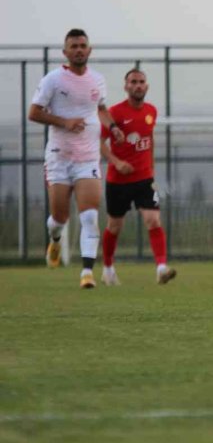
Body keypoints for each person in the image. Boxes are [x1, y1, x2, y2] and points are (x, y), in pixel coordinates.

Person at [27, 28, 124, 289]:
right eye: (74, 46)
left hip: (88, 158)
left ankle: (86, 273)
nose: (79, 49)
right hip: (59, 157)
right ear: (65, 52)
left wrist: (112, 127)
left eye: (83, 45)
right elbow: (33, 113)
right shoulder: (53, 80)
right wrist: (64, 122)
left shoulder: (98, 80)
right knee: (59, 219)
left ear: (89, 50)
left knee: (90, 217)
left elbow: (101, 108)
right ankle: (55, 240)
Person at [99, 68, 177, 285]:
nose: (138, 85)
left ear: (147, 86)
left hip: (144, 179)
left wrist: (151, 169)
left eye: (141, 82)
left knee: (153, 220)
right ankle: (108, 269)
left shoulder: (151, 111)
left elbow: (149, 140)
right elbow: (98, 144)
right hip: (118, 181)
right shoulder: (114, 113)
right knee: (114, 226)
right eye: (133, 82)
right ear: (126, 87)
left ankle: (161, 268)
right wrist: (116, 162)